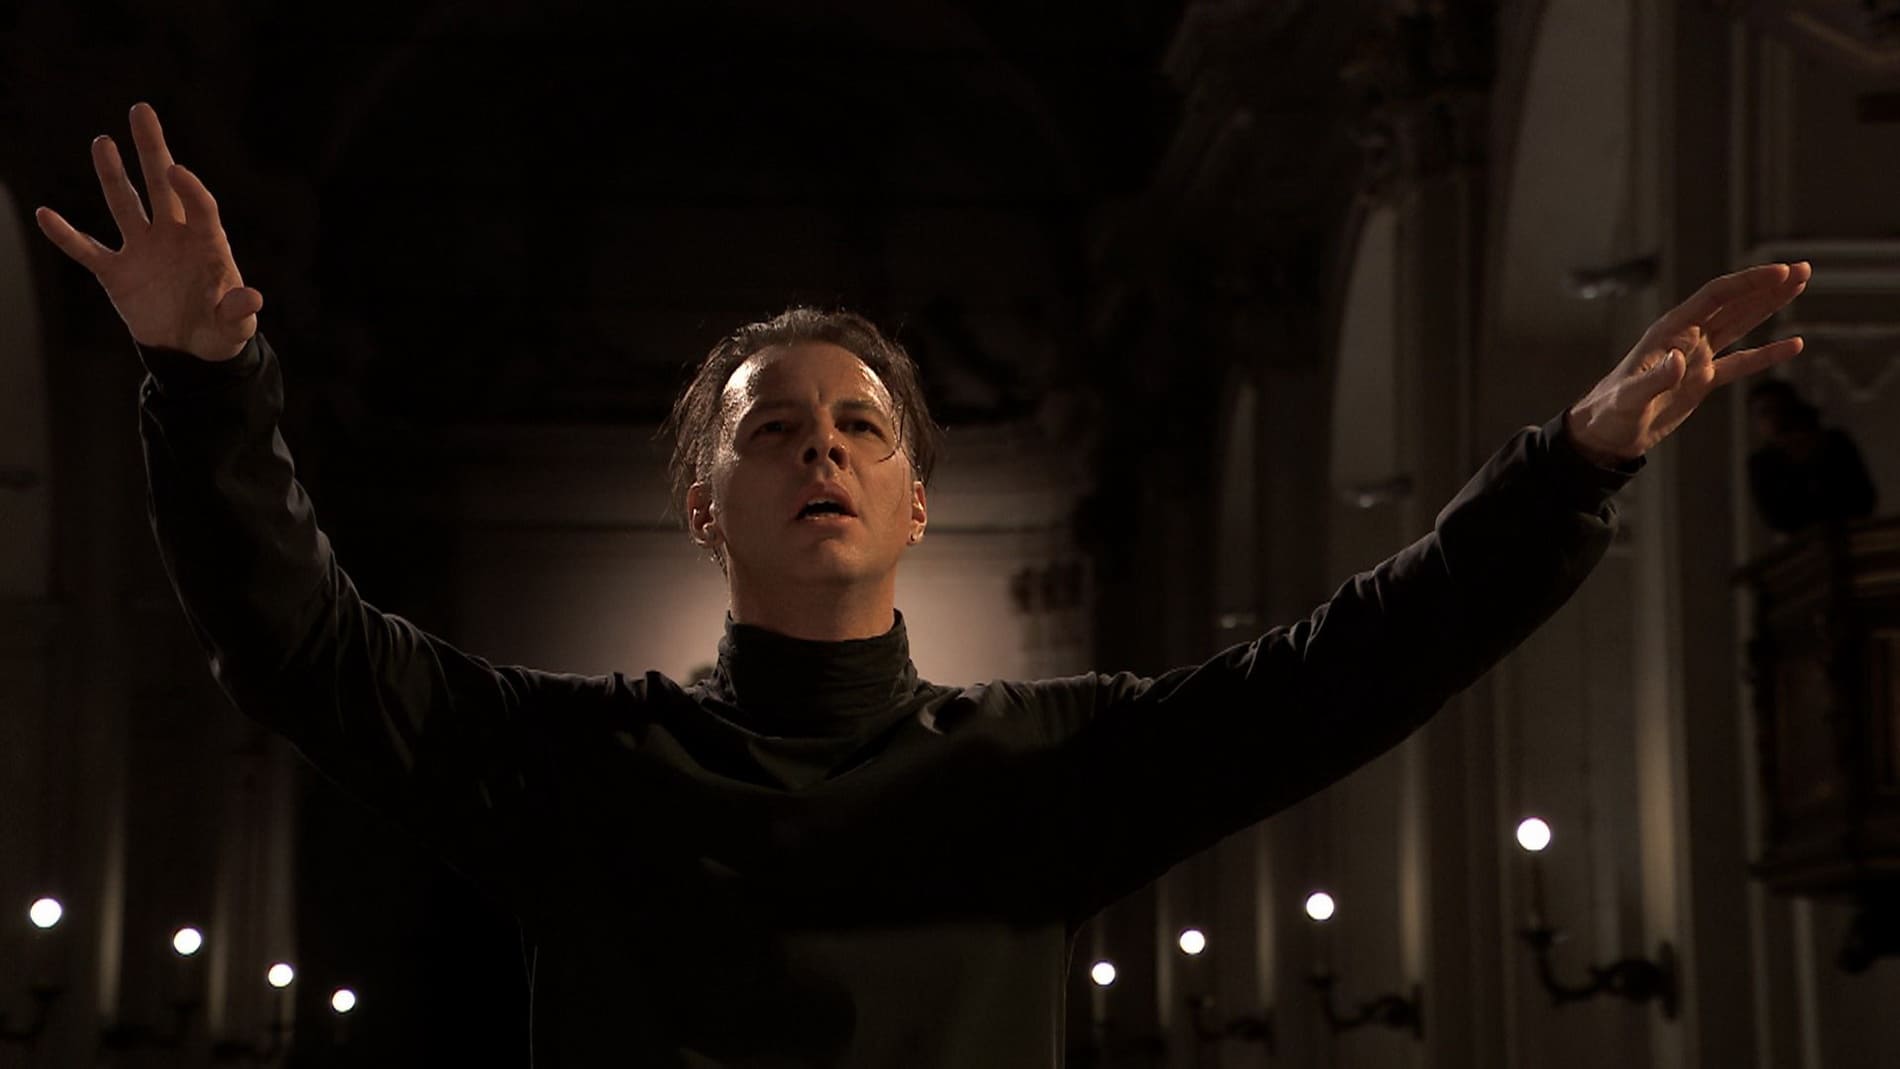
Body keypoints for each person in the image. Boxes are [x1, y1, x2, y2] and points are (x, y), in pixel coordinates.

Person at [36, 102, 1811, 1068]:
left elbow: (1351, 667)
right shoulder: (574, 767)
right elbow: (298, 641)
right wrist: (204, 376)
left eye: (860, 425)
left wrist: (1575, 461)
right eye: (773, 429)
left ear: (913, 497)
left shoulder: (1044, 765)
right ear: (706, 500)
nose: (820, 449)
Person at [1746, 379, 1877, 534]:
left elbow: (1863, 498)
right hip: (1804, 542)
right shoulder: (1762, 463)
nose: (1774, 418)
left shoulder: (1833, 442)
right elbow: (1777, 518)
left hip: (1853, 534)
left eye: (1778, 409)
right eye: (1764, 413)